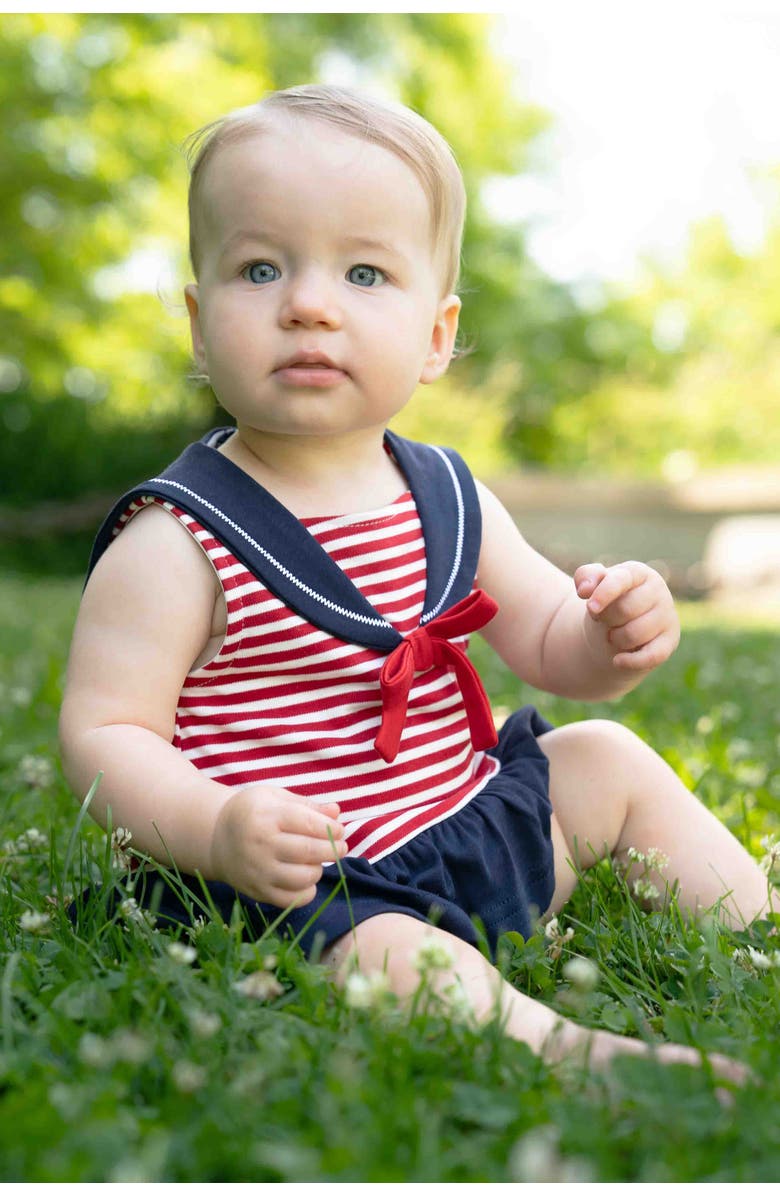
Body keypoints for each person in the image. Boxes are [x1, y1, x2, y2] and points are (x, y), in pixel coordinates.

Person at [60, 84, 771, 1079]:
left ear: (437, 335)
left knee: (604, 754)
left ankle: (757, 931)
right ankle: (575, 1054)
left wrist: (607, 633)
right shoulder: (179, 535)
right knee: (398, 958)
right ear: (198, 319)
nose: (308, 302)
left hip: (464, 824)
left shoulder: (448, 492)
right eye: (260, 267)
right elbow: (105, 733)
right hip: (306, 886)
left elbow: (546, 639)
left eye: (363, 271)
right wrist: (217, 830)